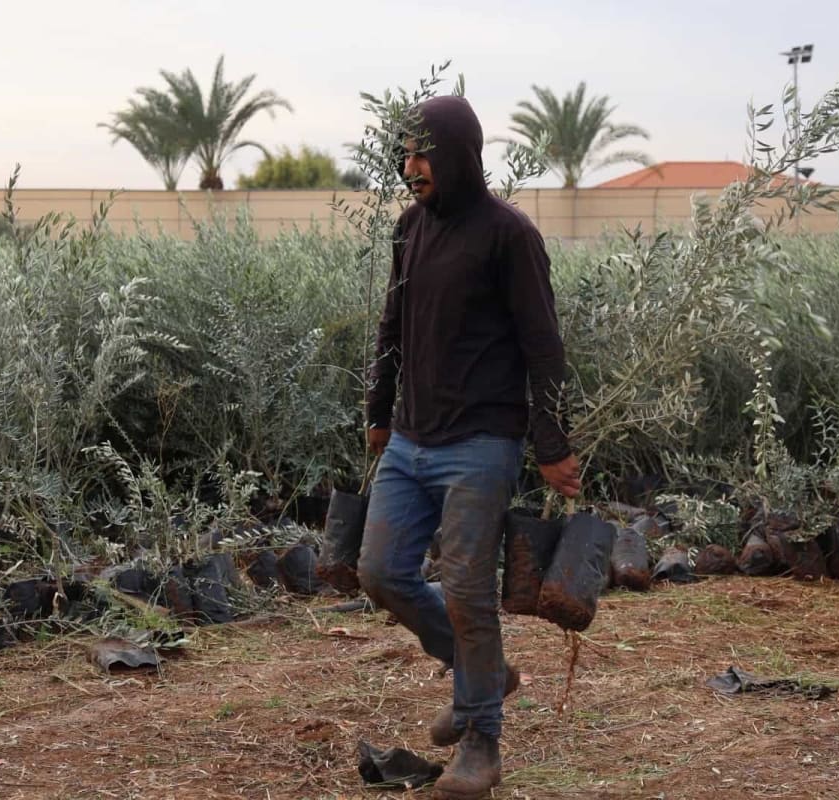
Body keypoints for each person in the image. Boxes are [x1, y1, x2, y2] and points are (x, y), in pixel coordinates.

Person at [356, 94, 580, 800]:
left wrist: (551, 442)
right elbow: (393, 324)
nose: (411, 167)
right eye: (405, 154)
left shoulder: (508, 236)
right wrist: (378, 411)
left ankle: (481, 743)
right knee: (380, 572)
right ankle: (482, 674)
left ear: (459, 154)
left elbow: (543, 348)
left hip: (482, 442)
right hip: (412, 440)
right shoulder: (410, 229)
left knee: (465, 591)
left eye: (424, 153)